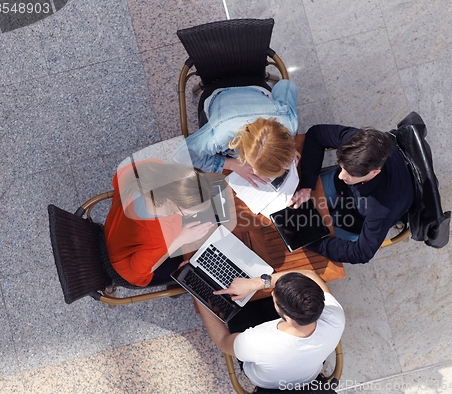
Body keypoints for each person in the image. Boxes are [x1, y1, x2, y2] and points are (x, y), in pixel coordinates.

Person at [194, 269, 345, 389]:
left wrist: (197, 293)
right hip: (307, 374)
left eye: (275, 297)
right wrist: (256, 283)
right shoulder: (335, 317)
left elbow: (222, 340)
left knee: (240, 304)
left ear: (289, 318)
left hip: (265, 378)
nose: (273, 292)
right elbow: (309, 275)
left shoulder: (256, 342)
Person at [288, 125, 413, 264]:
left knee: (308, 243)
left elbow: (361, 253)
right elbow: (316, 134)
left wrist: (311, 242)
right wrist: (307, 185)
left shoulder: (382, 209)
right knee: (294, 201)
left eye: (350, 173)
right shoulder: (357, 141)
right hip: (348, 190)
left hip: (360, 217)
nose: (341, 176)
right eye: (342, 167)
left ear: (374, 172)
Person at [103, 159, 214, 287]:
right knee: (193, 267)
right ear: (170, 199)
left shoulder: (152, 166)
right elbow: (136, 275)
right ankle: (176, 285)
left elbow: (118, 178)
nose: (194, 215)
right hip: (121, 267)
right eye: (189, 212)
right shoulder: (159, 237)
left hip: (115, 229)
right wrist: (180, 240)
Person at [171, 80, 300, 187]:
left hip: (253, 88)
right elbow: (178, 157)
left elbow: (286, 84)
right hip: (217, 93)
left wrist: (287, 146)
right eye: (252, 165)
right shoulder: (220, 135)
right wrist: (230, 164)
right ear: (243, 151)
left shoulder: (289, 123)